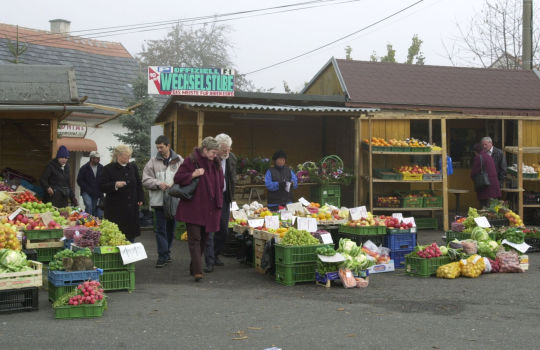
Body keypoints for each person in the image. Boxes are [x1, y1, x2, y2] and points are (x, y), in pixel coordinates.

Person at [174, 137, 224, 282]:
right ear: (205, 150)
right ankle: (198, 271)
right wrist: (193, 174)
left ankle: (193, 266)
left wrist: (218, 203)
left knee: (204, 239)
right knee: (195, 239)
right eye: (213, 152)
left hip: (210, 208)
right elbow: (178, 178)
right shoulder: (191, 161)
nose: (215, 155)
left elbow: (220, 184)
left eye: (216, 153)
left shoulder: (216, 163)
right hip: (193, 207)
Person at [142, 135, 184, 268]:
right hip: (159, 202)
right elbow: (145, 180)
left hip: (174, 201)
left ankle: (167, 252)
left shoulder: (179, 160)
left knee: (171, 229)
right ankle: (162, 256)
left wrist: (176, 185)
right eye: (157, 147)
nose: (159, 149)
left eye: (161, 147)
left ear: (168, 146)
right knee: (160, 230)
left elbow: (185, 177)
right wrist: (158, 183)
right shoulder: (152, 162)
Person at [204, 133, 236, 273]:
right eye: (224, 149)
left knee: (223, 230)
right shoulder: (210, 159)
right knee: (210, 230)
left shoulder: (232, 158)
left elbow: (231, 178)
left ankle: (215, 254)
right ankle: (209, 261)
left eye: (228, 149)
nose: (226, 152)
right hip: (210, 198)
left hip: (224, 197)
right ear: (217, 148)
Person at [99, 145, 144, 243]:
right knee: (116, 236)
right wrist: (115, 185)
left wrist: (141, 198)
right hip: (115, 209)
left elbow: (138, 183)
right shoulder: (108, 168)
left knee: (130, 236)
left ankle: (130, 256)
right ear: (119, 156)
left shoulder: (133, 167)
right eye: (126, 156)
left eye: (129, 156)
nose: (129, 158)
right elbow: (101, 186)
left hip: (131, 207)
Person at [471, 143, 501, 208]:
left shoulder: (478, 157)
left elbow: (474, 172)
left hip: (485, 187)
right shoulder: (489, 157)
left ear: (475, 152)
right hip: (494, 186)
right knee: (492, 208)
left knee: (484, 207)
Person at [76, 151, 104, 217]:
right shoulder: (84, 168)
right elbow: (79, 180)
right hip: (86, 192)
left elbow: (104, 179)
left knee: (93, 209)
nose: (98, 160)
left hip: (96, 192)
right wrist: (86, 188)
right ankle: (88, 221)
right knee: (89, 205)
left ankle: (90, 222)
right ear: (91, 158)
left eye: (99, 158)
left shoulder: (101, 167)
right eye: (97, 158)